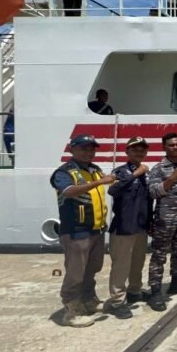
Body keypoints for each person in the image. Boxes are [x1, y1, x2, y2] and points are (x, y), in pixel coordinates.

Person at [49, 134, 115, 327]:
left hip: (96, 229)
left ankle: (88, 300)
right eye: (83, 148)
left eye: (91, 149)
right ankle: (71, 310)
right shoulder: (64, 172)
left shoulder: (94, 169)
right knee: (75, 272)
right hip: (76, 231)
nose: (88, 152)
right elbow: (69, 191)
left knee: (92, 268)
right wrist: (100, 182)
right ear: (72, 149)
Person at [147, 132, 177, 311]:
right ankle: (155, 291)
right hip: (164, 219)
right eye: (171, 145)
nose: (175, 147)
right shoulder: (158, 168)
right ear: (164, 147)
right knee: (159, 256)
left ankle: (176, 282)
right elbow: (153, 193)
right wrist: (171, 179)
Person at [105, 136, 152, 319]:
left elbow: (149, 201)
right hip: (124, 227)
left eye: (142, 150)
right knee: (121, 265)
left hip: (141, 226)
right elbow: (112, 190)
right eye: (135, 149)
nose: (139, 152)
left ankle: (134, 291)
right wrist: (135, 174)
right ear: (127, 152)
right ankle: (118, 301)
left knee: (137, 262)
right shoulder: (120, 172)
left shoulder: (148, 174)